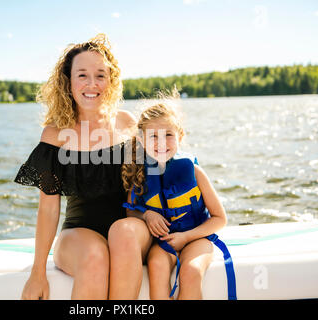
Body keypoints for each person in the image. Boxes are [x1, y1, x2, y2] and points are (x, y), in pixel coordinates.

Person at [15, 33, 142, 299]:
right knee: (95, 255)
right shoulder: (55, 136)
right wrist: (37, 272)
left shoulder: (127, 124)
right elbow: (49, 208)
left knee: (123, 233)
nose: (92, 83)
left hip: (130, 232)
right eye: (82, 75)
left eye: (100, 75)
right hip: (78, 234)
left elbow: (145, 188)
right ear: (68, 81)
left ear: (111, 80)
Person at [121, 98, 230, 300]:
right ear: (142, 140)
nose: (161, 142)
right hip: (164, 243)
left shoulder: (194, 171)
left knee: (191, 272)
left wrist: (187, 237)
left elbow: (220, 219)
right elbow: (131, 209)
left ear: (180, 136)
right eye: (153, 136)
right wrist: (147, 215)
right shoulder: (140, 174)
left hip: (197, 238)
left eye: (168, 135)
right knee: (156, 265)